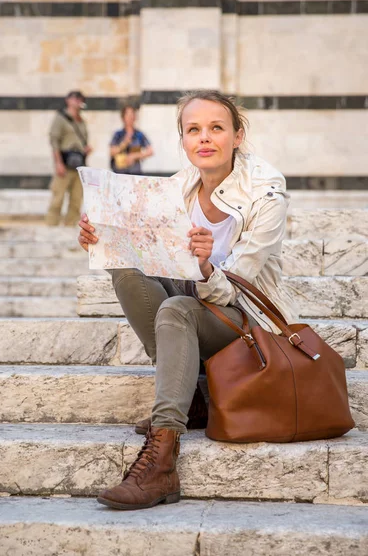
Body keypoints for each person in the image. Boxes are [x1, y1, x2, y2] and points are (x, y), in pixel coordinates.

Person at [78, 90, 298, 510]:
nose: (205, 138)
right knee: (124, 266)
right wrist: (101, 238)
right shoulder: (179, 185)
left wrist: (204, 266)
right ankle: (192, 399)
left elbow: (236, 285)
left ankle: (162, 461)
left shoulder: (267, 192)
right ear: (182, 139)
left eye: (217, 127)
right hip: (199, 302)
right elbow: (148, 252)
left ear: (237, 135)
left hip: (247, 320)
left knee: (176, 310)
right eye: (193, 129)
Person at [45, 90, 92, 227]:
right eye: (75, 98)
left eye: (80, 99)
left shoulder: (82, 121)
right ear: (68, 100)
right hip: (65, 163)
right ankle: (51, 226)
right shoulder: (60, 118)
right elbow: (54, 142)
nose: (78, 101)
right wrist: (58, 163)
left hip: (79, 163)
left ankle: (70, 226)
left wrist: (86, 150)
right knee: (57, 198)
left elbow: (82, 141)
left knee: (76, 199)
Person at [110, 105, 153, 174]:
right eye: (128, 115)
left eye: (133, 114)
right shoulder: (118, 134)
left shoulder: (139, 134)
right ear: (123, 118)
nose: (131, 117)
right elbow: (112, 152)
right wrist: (124, 144)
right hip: (120, 174)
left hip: (135, 173)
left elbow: (150, 151)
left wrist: (134, 156)